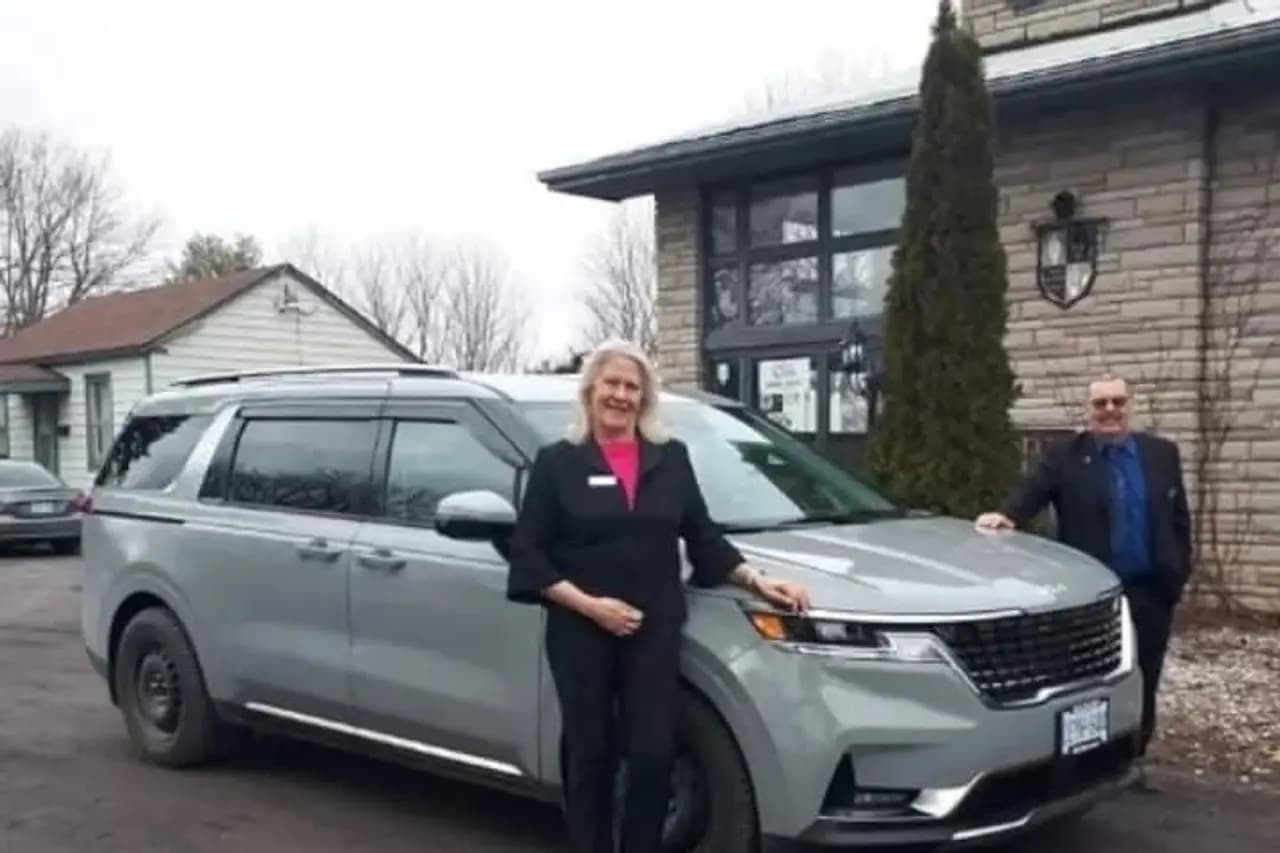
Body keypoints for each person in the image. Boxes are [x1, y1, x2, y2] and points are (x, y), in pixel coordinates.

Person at [506, 339, 812, 853]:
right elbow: (529, 555)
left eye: (632, 387)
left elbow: (703, 536)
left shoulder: (670, 459)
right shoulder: (557, 462)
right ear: (591, 389)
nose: (621, 395)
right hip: (580, 628)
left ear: (644, 398)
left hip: (653, 626)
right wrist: (591, 607)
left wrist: (759, 581)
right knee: (591, 753)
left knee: (652, 754)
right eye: (612, 383)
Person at [975, 374, 1192, 792]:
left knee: (1144, 676)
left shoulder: (1162, 453)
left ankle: (1133, 760)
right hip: (1094, 598)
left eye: (1117, 401)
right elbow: (1032, 491)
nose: (1110, 410)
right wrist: (1006, 515)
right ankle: (1081, 764)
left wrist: (1179, 570)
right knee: (1089, 681)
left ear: (1130, 405)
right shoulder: (1066, 457)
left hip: (1151, 591)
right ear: (1088, 409)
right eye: (1100, 403)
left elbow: (1179, 517)